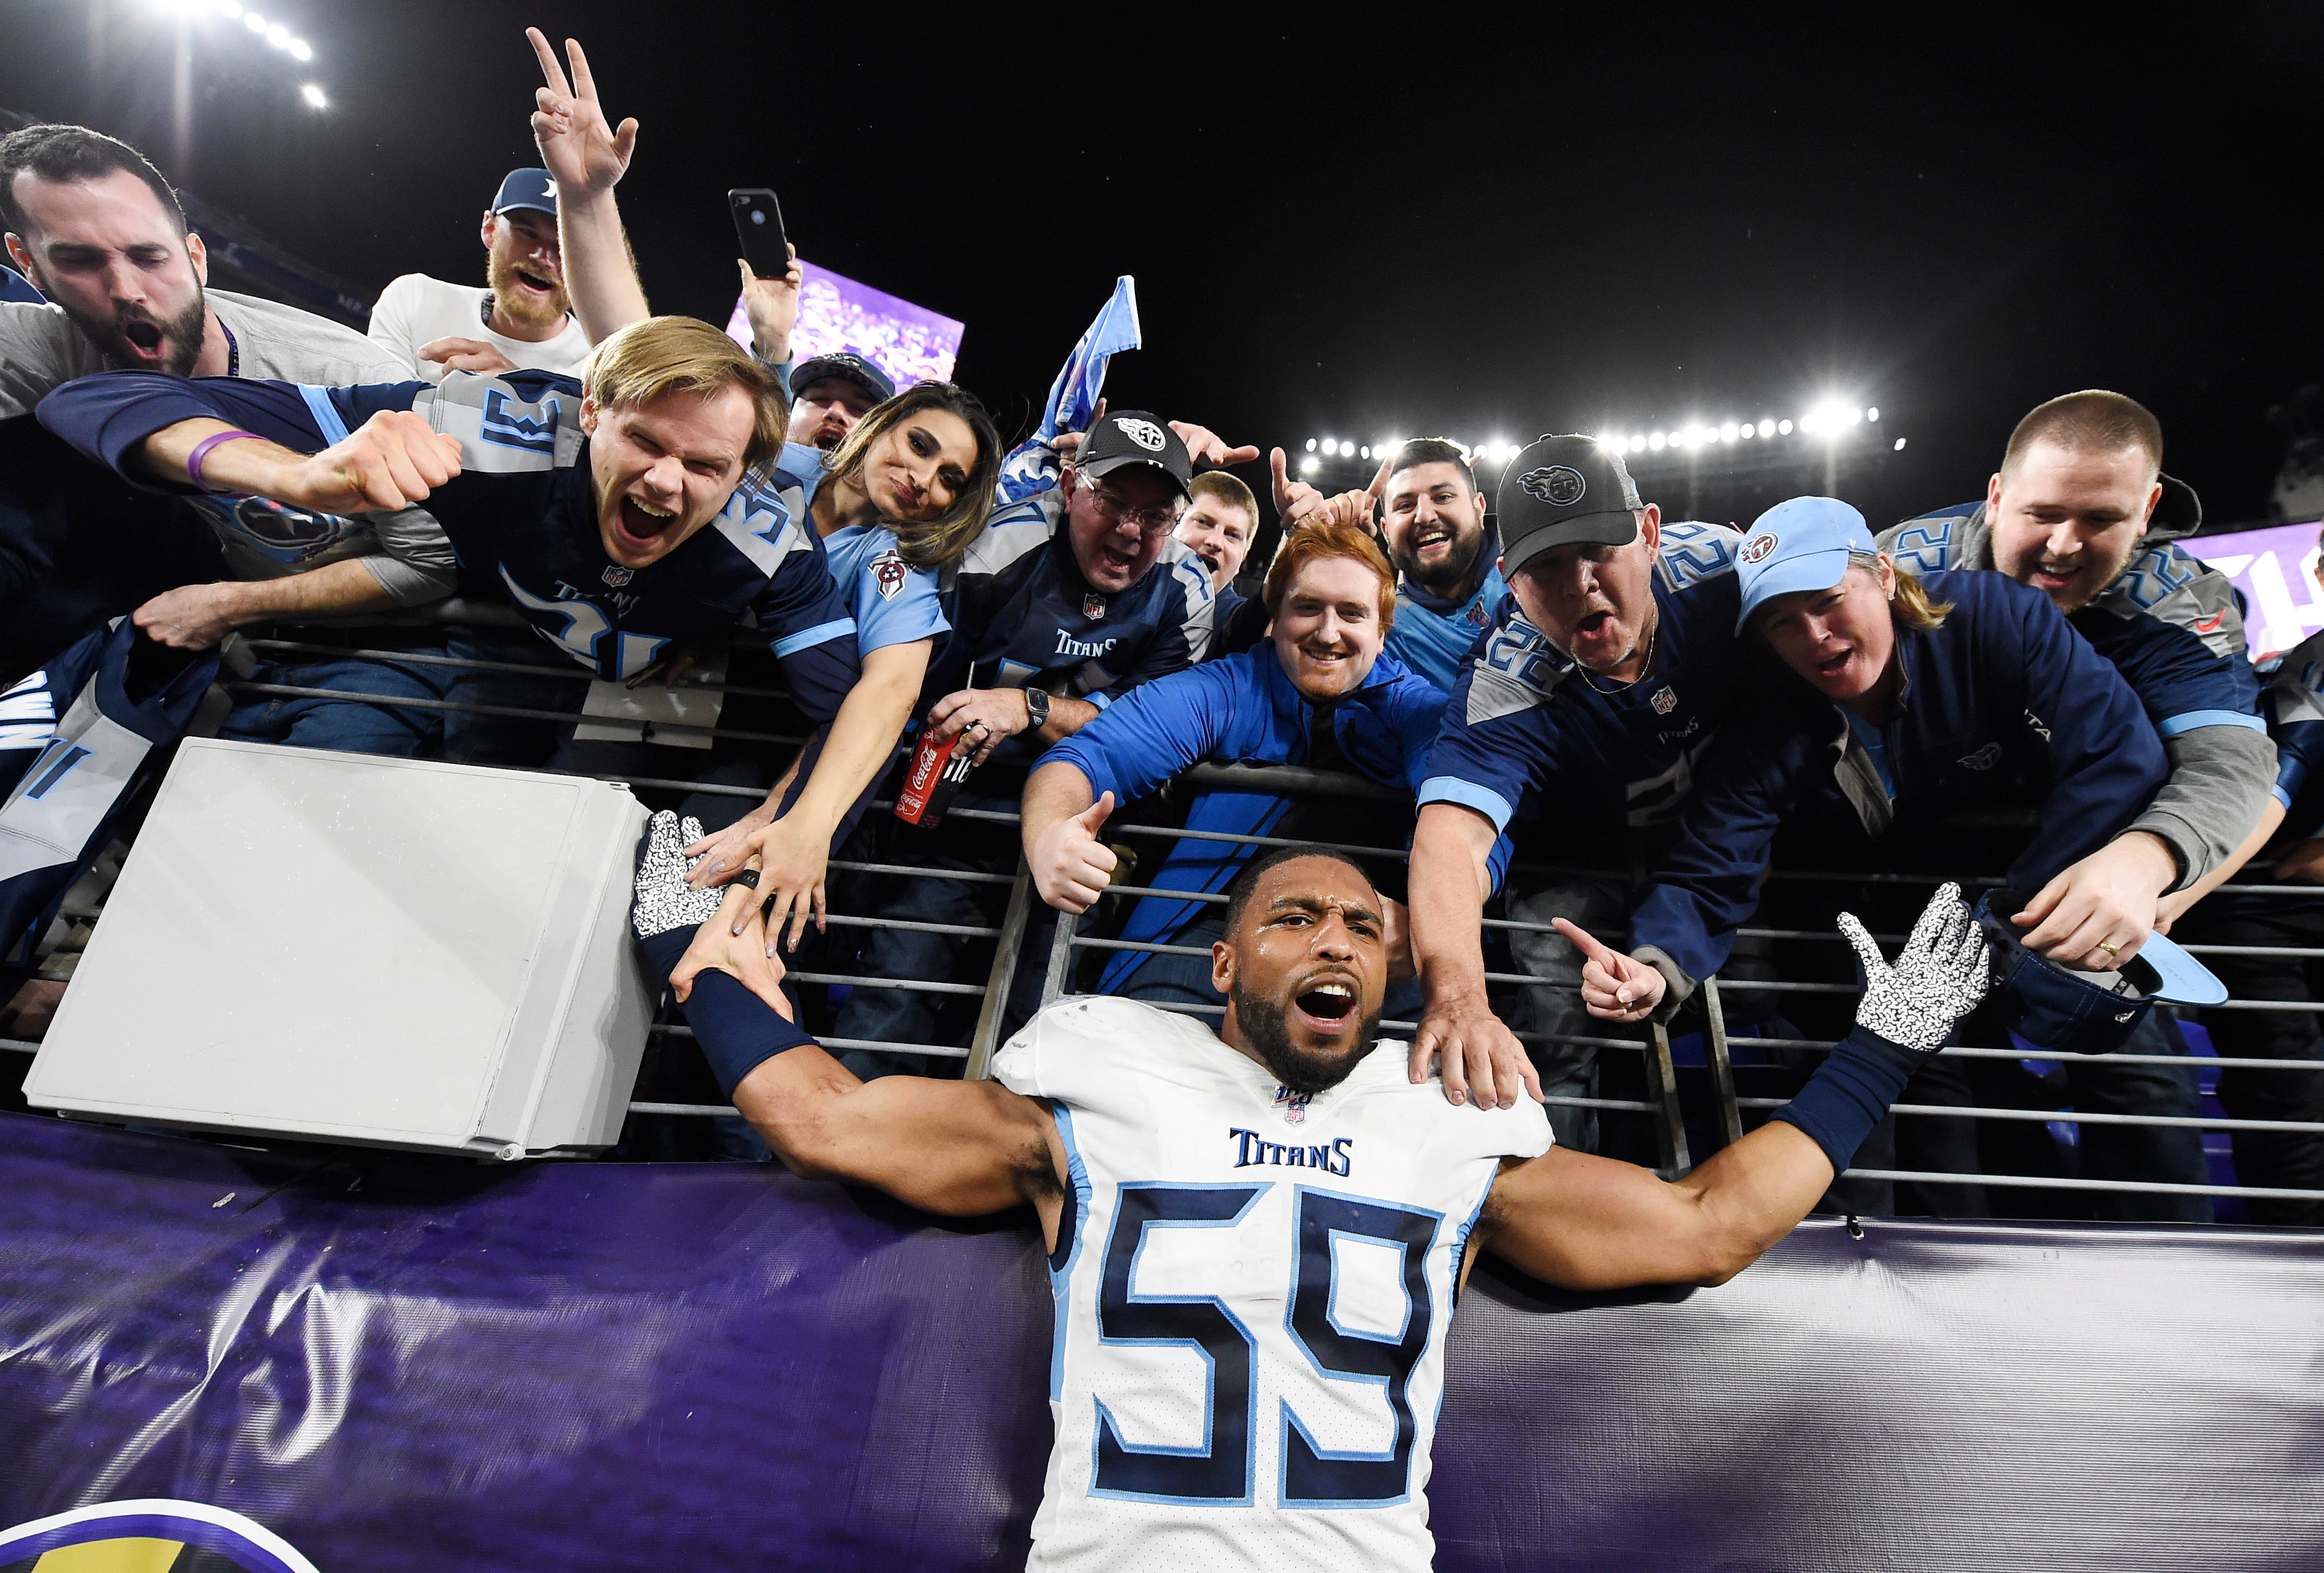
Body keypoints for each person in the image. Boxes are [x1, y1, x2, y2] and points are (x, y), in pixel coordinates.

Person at [629, 815, 1994, 1572]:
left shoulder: (1448, 1123)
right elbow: (822, 1118)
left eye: (1362, 927)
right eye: (1293, 918)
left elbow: (1708, 1227)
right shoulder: (1100, 1086)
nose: (1334, 937)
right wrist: (689, 949)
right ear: (1223, 968)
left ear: (1394, 982)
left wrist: (1884, 1047)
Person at [38, 314, 891, 933]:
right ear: (589, 410)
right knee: (296, 844)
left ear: (745, 471)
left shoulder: (771, 545)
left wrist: (794, 820)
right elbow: (98, 397)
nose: (667, 484)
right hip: (414, 652)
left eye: (705, 466)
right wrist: (293, 475)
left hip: (558, 719)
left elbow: (848, 707)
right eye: (645, 443)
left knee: (498, 912)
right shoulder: (484, 424)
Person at [1577, 497, 2192, 1217]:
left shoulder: (1995, 619)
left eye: (1828, 600)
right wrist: (1655, 966)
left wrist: (2010, 911)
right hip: (1888, 956)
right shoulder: (1771, 712)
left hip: (2038, 914)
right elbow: (1714, 855)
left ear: (1883, 575)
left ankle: (2179, 1305)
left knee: (2144, 1084)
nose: (1812, 634)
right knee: (1932, 1126)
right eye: (1779, 620)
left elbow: (2118, 758)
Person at [1, 122, 461, 752]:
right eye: (79, 261)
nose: (127, 290)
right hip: (182, 630)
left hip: (365, 647)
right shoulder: (42, 350)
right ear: (28, 265)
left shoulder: (349, 381)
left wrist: (227, 604)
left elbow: (429, 566)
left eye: (148, 256)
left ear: (196, 255)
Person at [829, 406, 1238, 1067]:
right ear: (1071, 485)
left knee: (1039, 1022)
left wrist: (1030, 705)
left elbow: (1150, 731)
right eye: (1112, 501)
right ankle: (840, 1156)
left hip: (1083, 825)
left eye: (1157, 515)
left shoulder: (1187, 587)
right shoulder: (1000, 542)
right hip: (957, 808)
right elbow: (922, 691)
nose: (1132, 531)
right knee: (896, 996)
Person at [1402, 435, 1747, 1142]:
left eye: (1599, 549)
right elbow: (1448, 841)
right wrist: (1460, 997)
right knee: (1559, 1034)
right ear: (1510, 581)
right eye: (1547, 566)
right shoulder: (1504, 678)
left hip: (1722, 843)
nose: (1578, 582)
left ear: (1648, 533)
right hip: (1578, 862)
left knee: (1787, 1006)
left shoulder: (1728, 568)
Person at [1020, 515, 1443, 1016]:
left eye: (1352, 614)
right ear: (1275, 618)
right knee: (1146, 1057)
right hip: (1212, 927)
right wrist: (1049, 836)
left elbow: (1470, 823)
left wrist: (1426, 923)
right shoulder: (1228, 689)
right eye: (1307, 608)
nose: (1328, 633)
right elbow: (1085, 758)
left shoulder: (1417, 711)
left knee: (1428, 1073)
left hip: (1376, 931)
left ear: (1382, 631)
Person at [1880, 391, 2275, 924]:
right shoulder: (1896, 570)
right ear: (1995, 498)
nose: (2064, 545)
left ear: (2147, 512)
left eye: (2100, 519)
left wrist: (2146, 859)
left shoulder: (2181, 606)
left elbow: (2228, 764)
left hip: (2083, 857)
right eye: (2043, 513)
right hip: (1901, 847)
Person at [2173, 554, 2324, 1223]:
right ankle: (2292, 1275)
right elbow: (2261, 812)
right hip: (2257, 906)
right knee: (2286, 1090)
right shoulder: (2310, 673)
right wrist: (2164, 901)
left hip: (2270, 889)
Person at [365, 168, 593, 383]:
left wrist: (517, 392)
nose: (543, 257)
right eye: (527, 233)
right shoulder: (415, 301)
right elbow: (376, 413)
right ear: (490, 229)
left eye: (566, 245)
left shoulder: (598, 367)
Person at [1374, 439, 1509, 695]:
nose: (1424, 515)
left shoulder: (1535, 572)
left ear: (1479, 509)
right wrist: (1307, 541)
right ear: (1386, 530)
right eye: (1405, 505)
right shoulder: (1382, 630)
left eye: (1444, 497)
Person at [1173, 470, 1258, 630]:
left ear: (1242, 559)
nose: (1216, 542)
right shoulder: (1122, 583)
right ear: (1172, 524)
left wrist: (1296, 530)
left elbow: (1264, 620)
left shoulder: (1235, 621)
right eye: (1203, 522)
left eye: (1232, 535)